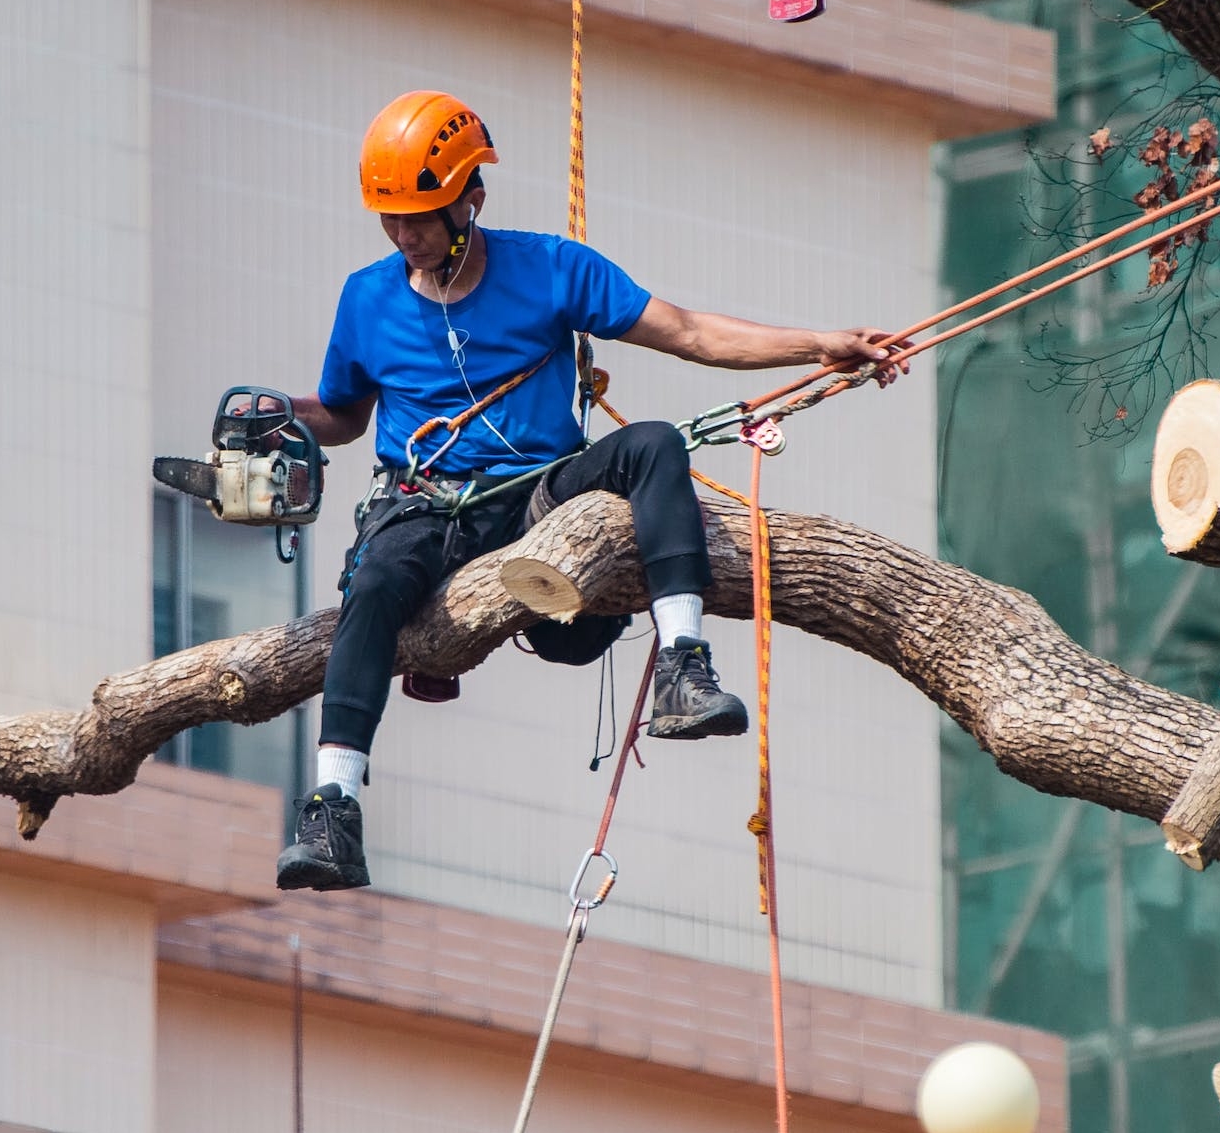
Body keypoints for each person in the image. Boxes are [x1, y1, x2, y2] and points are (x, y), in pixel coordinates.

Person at [273, 89, 903, 891]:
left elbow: (690, 332)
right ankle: (334, 808)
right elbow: (345, 416)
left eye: (421, 217)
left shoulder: (549, 269)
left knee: (652, 445)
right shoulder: (368, 297)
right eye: (390, 219)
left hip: (539, 496)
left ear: (472, 198)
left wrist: (820, 345)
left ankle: (684, 665)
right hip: (426, 504)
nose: (406, 236)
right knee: (374, 586)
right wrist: (279, 414)